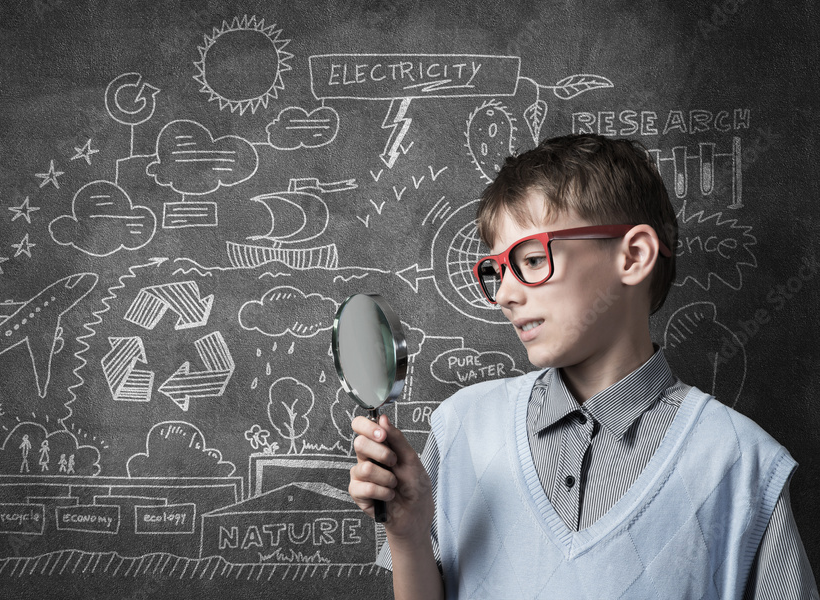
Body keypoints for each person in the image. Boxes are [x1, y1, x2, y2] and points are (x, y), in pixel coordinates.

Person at [348, 134, 818, 599]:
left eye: (532, 259)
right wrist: (407, 533)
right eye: (497, 271)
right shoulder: (462, 426)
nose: (507, 295)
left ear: (633, 256)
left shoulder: (741, 464)